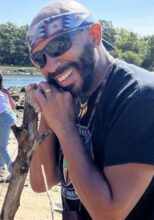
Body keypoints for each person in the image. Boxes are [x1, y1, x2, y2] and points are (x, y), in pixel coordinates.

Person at [26, 1, 154, 219]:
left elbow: (109, 214)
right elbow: (41, 181)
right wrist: (47, 112)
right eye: (39, 58)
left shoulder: (139, 97)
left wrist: (65, 127)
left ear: (94, 35)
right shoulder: (70, 93)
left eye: (58, 46)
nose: (49, 66)